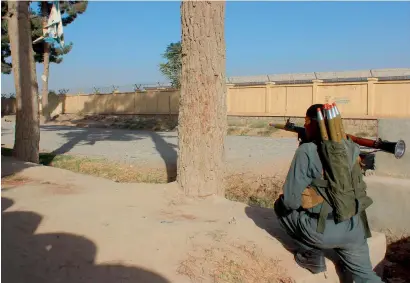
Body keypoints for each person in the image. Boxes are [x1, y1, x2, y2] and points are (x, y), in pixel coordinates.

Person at [274, 103, 383, 283]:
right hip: (355, 228)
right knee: (367, 277)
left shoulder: (307, 151)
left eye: (306, 122)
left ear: (310, 124)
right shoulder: (350, 147)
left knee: (281, 207)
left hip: (322, 232)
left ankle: (311, 257)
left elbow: (291, 201)